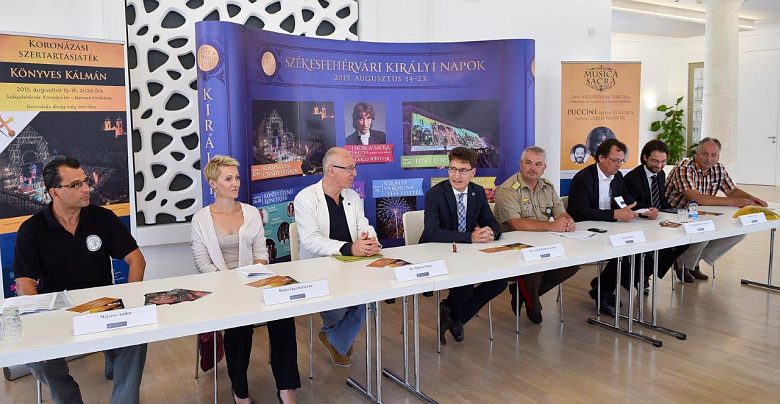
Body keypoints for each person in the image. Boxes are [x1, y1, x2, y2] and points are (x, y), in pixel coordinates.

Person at [13, 156, 147, 404]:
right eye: (76, 185)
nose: (86, 189)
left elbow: (136, 260)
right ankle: (70, 398)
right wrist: (41, 323)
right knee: (38, 360)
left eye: (85, 182)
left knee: (138, 335)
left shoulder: (102, 218)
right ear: (55, 192)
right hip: (57, 309)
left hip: (102, 303)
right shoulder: (32, 230)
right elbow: (24, 284)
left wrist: (129, 300)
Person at [191, 155, 300, 404]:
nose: (235, 183)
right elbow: (202, 263)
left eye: (237, 178)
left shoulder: (251, 213)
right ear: (213, 183)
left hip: (253, 283)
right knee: (238, 325)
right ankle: (240, 393)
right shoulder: (201, 219)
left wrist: (252, 276)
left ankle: (287, 390)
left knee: (283, 316)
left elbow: (262, 254)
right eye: (228, 179)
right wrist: (231, 285)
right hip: (220, 289)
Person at [294, 147, 381, 366]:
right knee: (338, 307)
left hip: (353, 266)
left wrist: (370, 240)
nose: (355, 173)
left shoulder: (352, 196)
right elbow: (310, 240)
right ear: (331, 170)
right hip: (318, 269)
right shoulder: (306, 198)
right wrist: (349, 248)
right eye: (349, 168)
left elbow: (363, 225)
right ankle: (339, 335)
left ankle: (335, 337)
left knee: (371, 295)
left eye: (354, 168)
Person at [420, 147, 504, 343]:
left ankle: (453, 315)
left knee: (499, 281)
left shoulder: (477, 192)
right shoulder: (435, 194)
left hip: (467, 253)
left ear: (473, 172)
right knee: (465, 285)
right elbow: (431, 232)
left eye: (463, 170)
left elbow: (491, 222)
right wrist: (470, 237)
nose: (456, 175)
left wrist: (491, 232)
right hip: (437, 252)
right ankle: (454, 316)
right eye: (452, 169)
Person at [567, 139, 657, 316]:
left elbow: (628, 200)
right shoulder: (583, 178)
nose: (619, 165)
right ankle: (603, 290)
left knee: (638, 248)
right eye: (616, 160)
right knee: (624, 251)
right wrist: (615, 214)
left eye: (622, 160)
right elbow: (580, 212)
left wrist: (647, 209)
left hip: (609, 228)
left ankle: (602, 287)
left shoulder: (618, 177)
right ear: (601, 158)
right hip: (585, 231)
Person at [494, 146, 579, 324]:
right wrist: (551, 226)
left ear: (544, 168)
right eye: (528, 163)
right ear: (520, 164)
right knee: (533, 271)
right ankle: (534, 305)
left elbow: (560, 213)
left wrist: (567, 221)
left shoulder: (548, 186)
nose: (533, 168)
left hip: (542, 242)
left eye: (538, 164)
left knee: (571, 265)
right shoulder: (507, 189)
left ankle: (521, 293)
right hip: (513, 247)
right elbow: (515, 224)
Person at [665, 137, 767, 281]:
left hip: (701, 213)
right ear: (697, 153)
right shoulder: (684, 168)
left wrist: (753, 199)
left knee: (738, 232)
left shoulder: (718, 168)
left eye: (714, 155)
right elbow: (697, 199)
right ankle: (685, 265)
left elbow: (732, 191)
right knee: (706, 231)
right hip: (676, 213)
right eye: (705, 154)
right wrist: (736, 202)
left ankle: (691, 261)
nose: (709, 159)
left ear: (718, 156)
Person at [623, 140, 689, 286]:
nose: (659, 166)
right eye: (655, 161)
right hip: (640, 223)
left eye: (663, 161)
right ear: (645, 157)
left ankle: (644, 274)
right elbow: (631, 204)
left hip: (658, 220)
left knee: (683, 241)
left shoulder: (660, 174)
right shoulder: (632, 178)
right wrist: (648, 210)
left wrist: (673, 212)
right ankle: (640, 276)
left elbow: (661, 200)